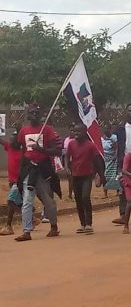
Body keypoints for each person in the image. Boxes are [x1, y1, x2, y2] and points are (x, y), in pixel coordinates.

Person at [15, 103, 61, 242]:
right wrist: (21, 171)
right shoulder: (23, 131)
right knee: (27, 201)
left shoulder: (48, 130)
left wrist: (41, 150)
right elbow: (23, 151)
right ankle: (26, 231)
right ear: (28, 115)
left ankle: (54, 226)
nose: (34, 115)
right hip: (29, 170)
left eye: (37, 113)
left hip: (43, 170)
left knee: (48, 201)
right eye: (32, 112)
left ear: (41, 115)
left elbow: (57, 151)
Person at [65, 123, 105, 235]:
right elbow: (67, 158)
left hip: (87, 176)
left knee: (85, 197)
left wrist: (101, 175)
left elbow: (97, 160)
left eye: (79, 131)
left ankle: (89, 224)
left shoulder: (90, 145)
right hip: (75, 176)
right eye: (75, 131)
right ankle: (82, 224)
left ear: (85, 132)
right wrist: (67, 167)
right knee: (78, 200)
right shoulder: (71, 144)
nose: (76, 134)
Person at [0, 127, 23, 236]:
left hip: (18, 181)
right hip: (11, 181)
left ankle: (8, 226)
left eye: (12, 139)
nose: (10, 140)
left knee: (10, 201)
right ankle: (31, 218)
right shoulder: (9, 147)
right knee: (17, 202)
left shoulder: (23, 152)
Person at [101, 125, 120, 198]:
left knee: (115, 175)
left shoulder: (114, 137)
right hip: (105, 159)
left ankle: (117, 191)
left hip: (114, 159)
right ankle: (105, 193)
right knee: (105, 176)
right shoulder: (102, 139)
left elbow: (117, 146)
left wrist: (115, 156)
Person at [62, 124, 76, 200]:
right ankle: (70, 194)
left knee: (74, 179)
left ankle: (74, 193)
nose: (72, 132)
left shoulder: (76, 140)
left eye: (74, 131)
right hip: (68, 162)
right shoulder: (66, 140)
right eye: (71, 130)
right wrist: (64, 163)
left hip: (75, 162)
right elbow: (64, 153)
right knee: (70, 179)